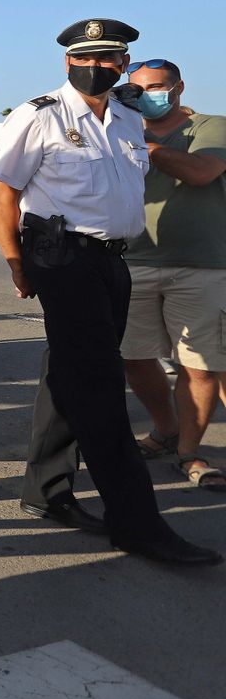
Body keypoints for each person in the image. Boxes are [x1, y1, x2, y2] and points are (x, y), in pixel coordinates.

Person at [0, 18, 219, 566]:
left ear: (123, 64)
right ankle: (136, 523)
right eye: (87, 59)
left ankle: (46, 490)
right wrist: (18, 265)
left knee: (67, 373)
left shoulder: (128, 119)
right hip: (61, 258)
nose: (99, 68)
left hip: (114, 261)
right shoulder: (38, 115)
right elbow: (1, 195)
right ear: (68, 62)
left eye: (111, 59)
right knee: (100, 386)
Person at [119, 59, 226, 492]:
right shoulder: (119, 128)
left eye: (157, 87)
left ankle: (189, 451)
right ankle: (164, 430)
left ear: (179, 87)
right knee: (134, 358)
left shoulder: (211, 126)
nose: (147, 96)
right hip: (133, 260)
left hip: (201, 264)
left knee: (198, 367)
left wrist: (146, 148)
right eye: (137, 90)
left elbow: (202, 173)